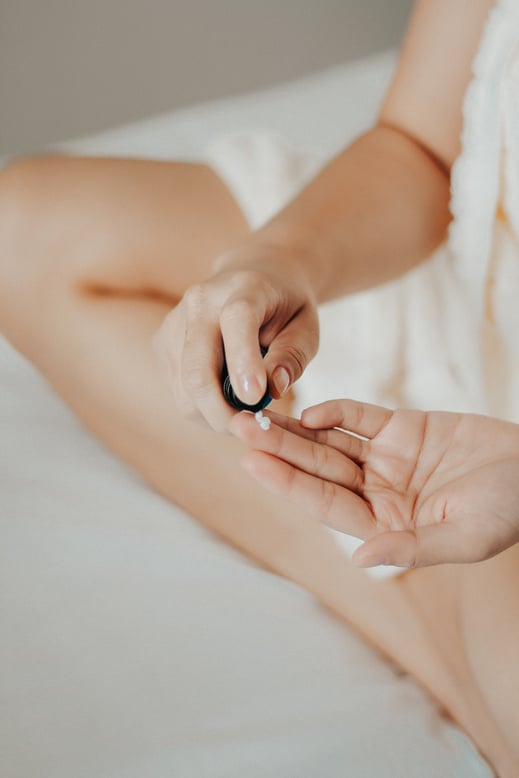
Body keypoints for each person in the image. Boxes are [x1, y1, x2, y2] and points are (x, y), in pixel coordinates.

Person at [0, 0, 518, 773]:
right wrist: (276, 263)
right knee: (24, 232)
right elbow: (421, 148)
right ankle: (444, 631)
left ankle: (462, 650)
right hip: (478, 281)